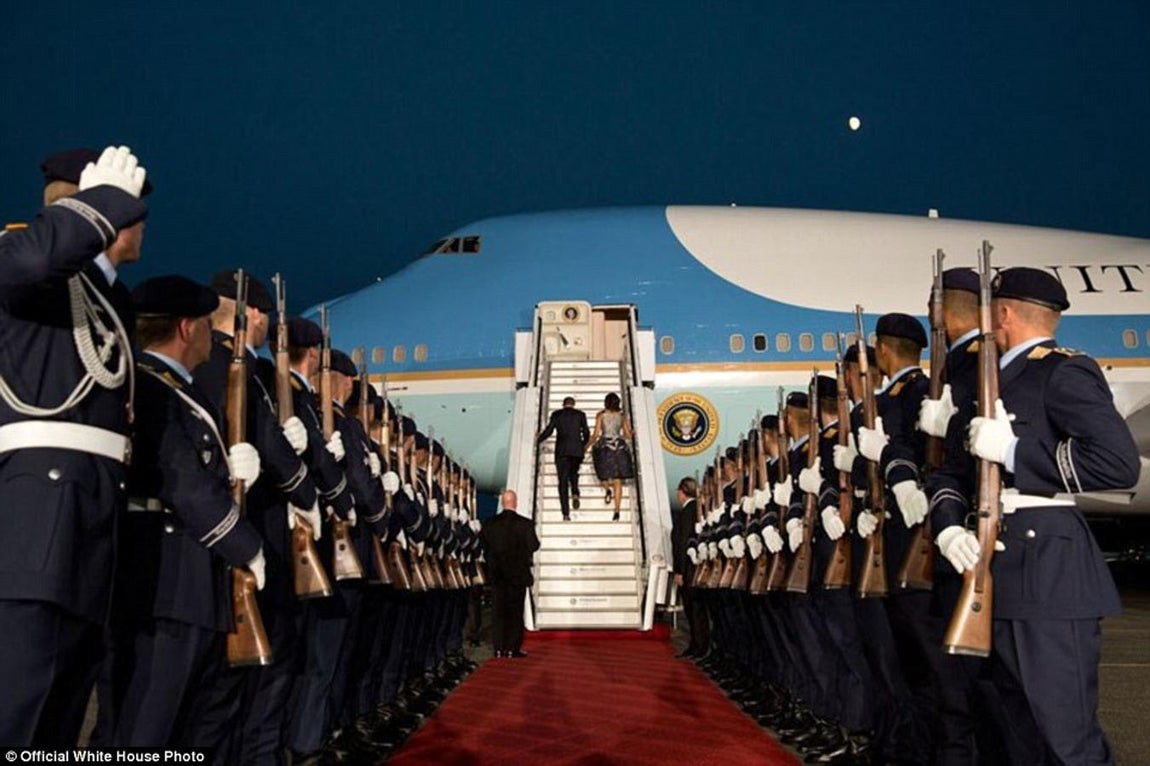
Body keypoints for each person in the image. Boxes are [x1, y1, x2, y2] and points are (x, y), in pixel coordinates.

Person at [940, 267, 1139, 765]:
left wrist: (1014, 451)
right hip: (990, 572)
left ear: (1003, 313)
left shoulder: (1062, 370)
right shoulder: (981, 383)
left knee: (1064, 738)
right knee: (1009, 734)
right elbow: (948, 471)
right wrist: (945, 524)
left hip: (1050, 571)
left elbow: (1117, 462)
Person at [0, 145, 148, 747]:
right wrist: (101, 205)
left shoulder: (107, 297)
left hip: (90, 514)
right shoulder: (25, 264)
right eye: (134, 212)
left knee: (61, 712)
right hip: (40, 514)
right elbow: (34, 260)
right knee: (19, 702)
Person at [109, 275, 265, 747]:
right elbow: (181, 478)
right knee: (145, 726)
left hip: (188, 585)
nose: (210, 336)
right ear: (185, 328)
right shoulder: (154, 389)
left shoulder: (180, 390)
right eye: (203, 324)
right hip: (163, 585)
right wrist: (246, 546)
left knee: (182, 726)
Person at [479, 490, 540, 658]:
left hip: (497, 575)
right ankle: (513, 648)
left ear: (502, 503)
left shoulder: (489, 524)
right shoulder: (525, 524)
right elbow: (534, 545)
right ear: (515, 502)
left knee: (498, 612)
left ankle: (499, 648)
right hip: (518, 575)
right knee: (515, 612)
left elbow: (482, 545)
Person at [671, 477, 710, 659]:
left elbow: (682, 543)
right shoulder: (695, 509)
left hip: (689, 569)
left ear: (682, 492)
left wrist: (679, 571)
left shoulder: (689, 511)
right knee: (695, 610)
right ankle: (697, 645)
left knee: (694, 610)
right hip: (693, 567)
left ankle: (699, 646)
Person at [537, 395, 590, 520]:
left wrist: (539, 439)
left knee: (563, 482)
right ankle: (576, 492)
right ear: (573, 404)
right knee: (574, 473)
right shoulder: (580, 415)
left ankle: (566, 513)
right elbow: (586, 432)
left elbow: (549, 431)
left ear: (563, 404)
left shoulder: (557, 415)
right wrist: (582, 445)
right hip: (576, 451)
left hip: (562, 452)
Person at [586, 392, 634, 520]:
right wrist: (632, 432)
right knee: (618, 479)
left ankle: (607, 489)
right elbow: (628, 435)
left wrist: (586, 446)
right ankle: (617, 510)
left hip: (604, 447)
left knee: (602, 474)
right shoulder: (622, 416)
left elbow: (596, 434)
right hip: (619, 447)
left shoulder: (601, 415)